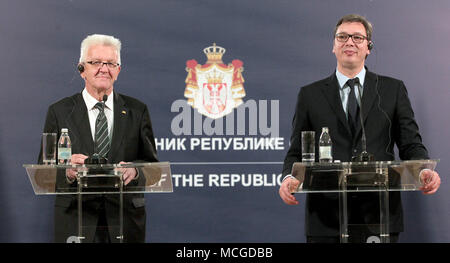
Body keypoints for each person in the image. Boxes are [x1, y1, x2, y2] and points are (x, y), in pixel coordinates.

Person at [279, 14, 441, 243]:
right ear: (333, 46)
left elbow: (411, 144)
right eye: (342, 37)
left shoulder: (392, 90)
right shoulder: (310, 95)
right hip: (326, 219)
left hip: (379, 216)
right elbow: (296, 150)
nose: (349, 42)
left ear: (368, 48)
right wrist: (288, 178)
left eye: (357, 37)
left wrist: (424, 170)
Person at [38, 34, 158, 243]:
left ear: (118, 71)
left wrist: (136, 170)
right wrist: (66, 172)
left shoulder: (137, 111)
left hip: (124, 220)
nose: (104, 68)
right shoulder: (59, 111)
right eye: (95, 62)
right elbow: (43, 173)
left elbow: (154, 169)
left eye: (111, 63)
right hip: (76, 219)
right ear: (82, 69)